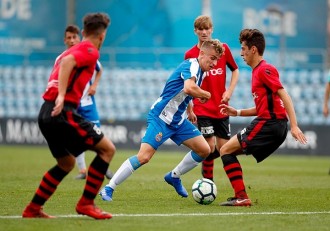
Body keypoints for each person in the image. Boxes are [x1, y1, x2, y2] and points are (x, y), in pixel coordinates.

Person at [99, 39, 224, 201]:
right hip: (161, 118)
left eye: (217, 60)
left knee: (205, 149)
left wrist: (190, 109)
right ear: (202, 53)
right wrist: (205, 94)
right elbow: (188, 88)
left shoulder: (202, 71)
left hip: (178, 121)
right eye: (212, 58)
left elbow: (184, 92)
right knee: (144, 157)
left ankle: (174, 176)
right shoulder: (191, 65)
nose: (214, 63)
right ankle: (108, 188)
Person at [22, 13, 114, 219]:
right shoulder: (90, 50)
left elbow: (65, 63)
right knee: (107, 149)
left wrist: (58, 96)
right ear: (102, 36)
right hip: (62, 112)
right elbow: (68, 64)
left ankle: (33, 209)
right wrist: (62, 96)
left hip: (46, 111)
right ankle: (86, 204)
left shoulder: (72, 50)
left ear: (82, 33)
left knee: (66, 163)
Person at [218, 29, 308, 206]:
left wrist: (294, 126)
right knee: (226, 150)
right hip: (270, 123)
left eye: (243, 48)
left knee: (225, 150)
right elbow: (261, 108)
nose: (241, 53)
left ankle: (242, 197)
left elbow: (285, 96)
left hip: (270, 124)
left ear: (253, 50)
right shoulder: (257, 71)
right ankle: (241, 196)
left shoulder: (265, 69)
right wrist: (236, 112)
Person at [184, 15, 239, 181]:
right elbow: (186, 84)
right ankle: (208, 182)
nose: (204, 32)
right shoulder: (190, 54)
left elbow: (235, 70)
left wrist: (229, 91)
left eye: (207, 28)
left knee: (224, 149)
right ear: (195, 31)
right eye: (200, 29)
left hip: (221, 107)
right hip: (203, 109)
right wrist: (190, 108)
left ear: (212, 29)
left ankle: (236, 190)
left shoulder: (223, 49)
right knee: (208, 147)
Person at [58, 25, 113, 180]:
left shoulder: (86, 54)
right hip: (73, 104)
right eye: (69, 38)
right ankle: (83, 170)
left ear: (80, 37)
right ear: (65, 40)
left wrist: (94, 85)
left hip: (88, 103)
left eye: (74, 37)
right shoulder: (63, 59)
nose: (72, 40)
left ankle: (103, 167)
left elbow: (99, 68)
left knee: (98, 135)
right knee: (75, 137)